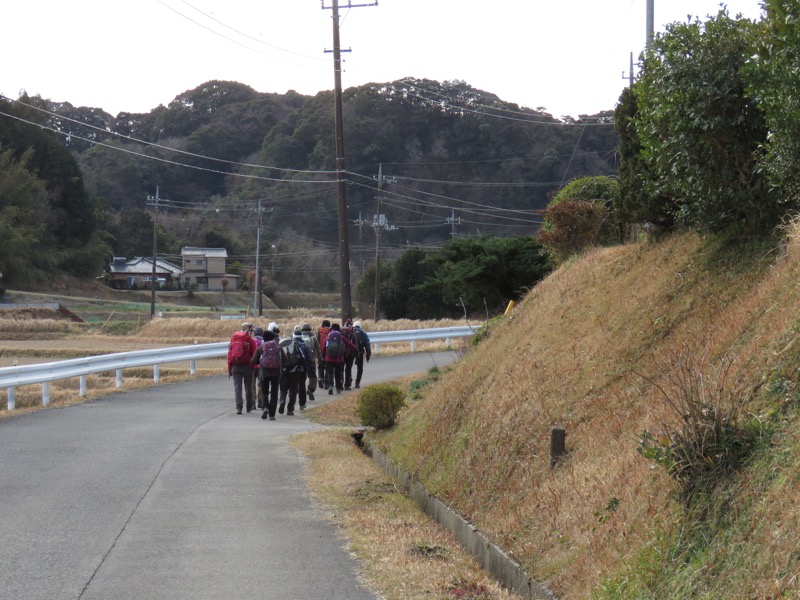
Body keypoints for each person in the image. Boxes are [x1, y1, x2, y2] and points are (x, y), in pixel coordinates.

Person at [278, 326, 314, 415]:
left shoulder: (280, 344)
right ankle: (290, 409)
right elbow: (302, 357)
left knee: (283, 389)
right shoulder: (295, 344)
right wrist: (305, 368)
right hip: (295, 370)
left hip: (283, 371)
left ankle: (282, 400)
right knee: (293, 391)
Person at [226, 322, 258, 414]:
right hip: (247, 366)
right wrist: (254, 367)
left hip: (235, 366)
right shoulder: (250, 340)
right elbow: (254, 355)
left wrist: (230, 367)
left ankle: (239, 408)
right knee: (248, 387)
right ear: (249, 330)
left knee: (237, 387)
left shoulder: (234, 339)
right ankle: (249, 407)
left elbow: (229, 354)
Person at [252, 329, 281, 420]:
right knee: (274, 393)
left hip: (264, 372)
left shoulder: (261, 348)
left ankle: (265, 407)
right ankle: (272, 415)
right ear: (273, 337)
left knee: (264, 391)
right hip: (276, 372)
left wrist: (260, 362)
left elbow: (253, 361)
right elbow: (285, 360)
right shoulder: (278, 347)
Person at [323, 322, 357, 395]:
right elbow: (348, 343)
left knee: (329, 373)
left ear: (331, 328)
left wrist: (323, 356)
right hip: (339, 358)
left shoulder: (328, 336)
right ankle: (338, 388)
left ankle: (330, 386)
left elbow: (324, 347)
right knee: (338, 373)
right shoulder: (340, 336)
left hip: (329, 358)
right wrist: (355, 348)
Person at [300, 322, 322, 401]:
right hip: (311, 360)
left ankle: (300, 389)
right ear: (309, 329)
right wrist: (320, 359)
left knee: (302, 377)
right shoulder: (313, 338)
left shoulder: (300, 337)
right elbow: (318, 350)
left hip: (301, 361)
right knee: (312, 376)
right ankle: (310, 389)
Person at [352, 320, 372, 388]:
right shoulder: (363, 334)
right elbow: (367, 344)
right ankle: (357, 382)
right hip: (360, 353)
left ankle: (348, 380)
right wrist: (368, 354)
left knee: (348, 368)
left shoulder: (351, 332)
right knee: (360, 368)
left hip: (351, 352)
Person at [341, 319, 357, 390]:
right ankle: (347, 385)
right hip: (350, 354)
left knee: (340, 369)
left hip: (341, 353)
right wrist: (356, 353)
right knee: (348, 369)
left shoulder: (341, 332)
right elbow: (355, 344)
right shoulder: (352, 333)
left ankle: (340, 384)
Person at [316, 319, 332, 388]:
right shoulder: (330, 331)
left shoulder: (319, 331)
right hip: (328, 352)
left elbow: (317, 342)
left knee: (321, 366)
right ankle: (326, 382)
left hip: (320, 351)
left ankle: (320, 378)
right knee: (328, 367)